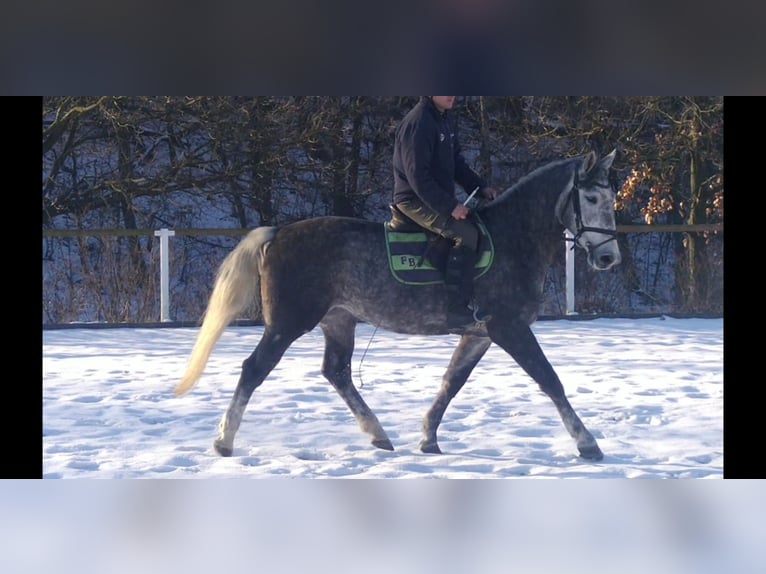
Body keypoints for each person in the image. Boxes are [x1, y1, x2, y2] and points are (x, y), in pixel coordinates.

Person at [392, 96, 500, 331]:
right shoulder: (419, 123)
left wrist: (480, 186)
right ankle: (456, 310)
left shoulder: (445, 119)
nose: (452, 94)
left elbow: (457, 164)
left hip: (433, 198)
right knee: (467, 235)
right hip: (412, 199)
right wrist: (450, 206)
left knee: (481, 226)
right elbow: (417, 178)